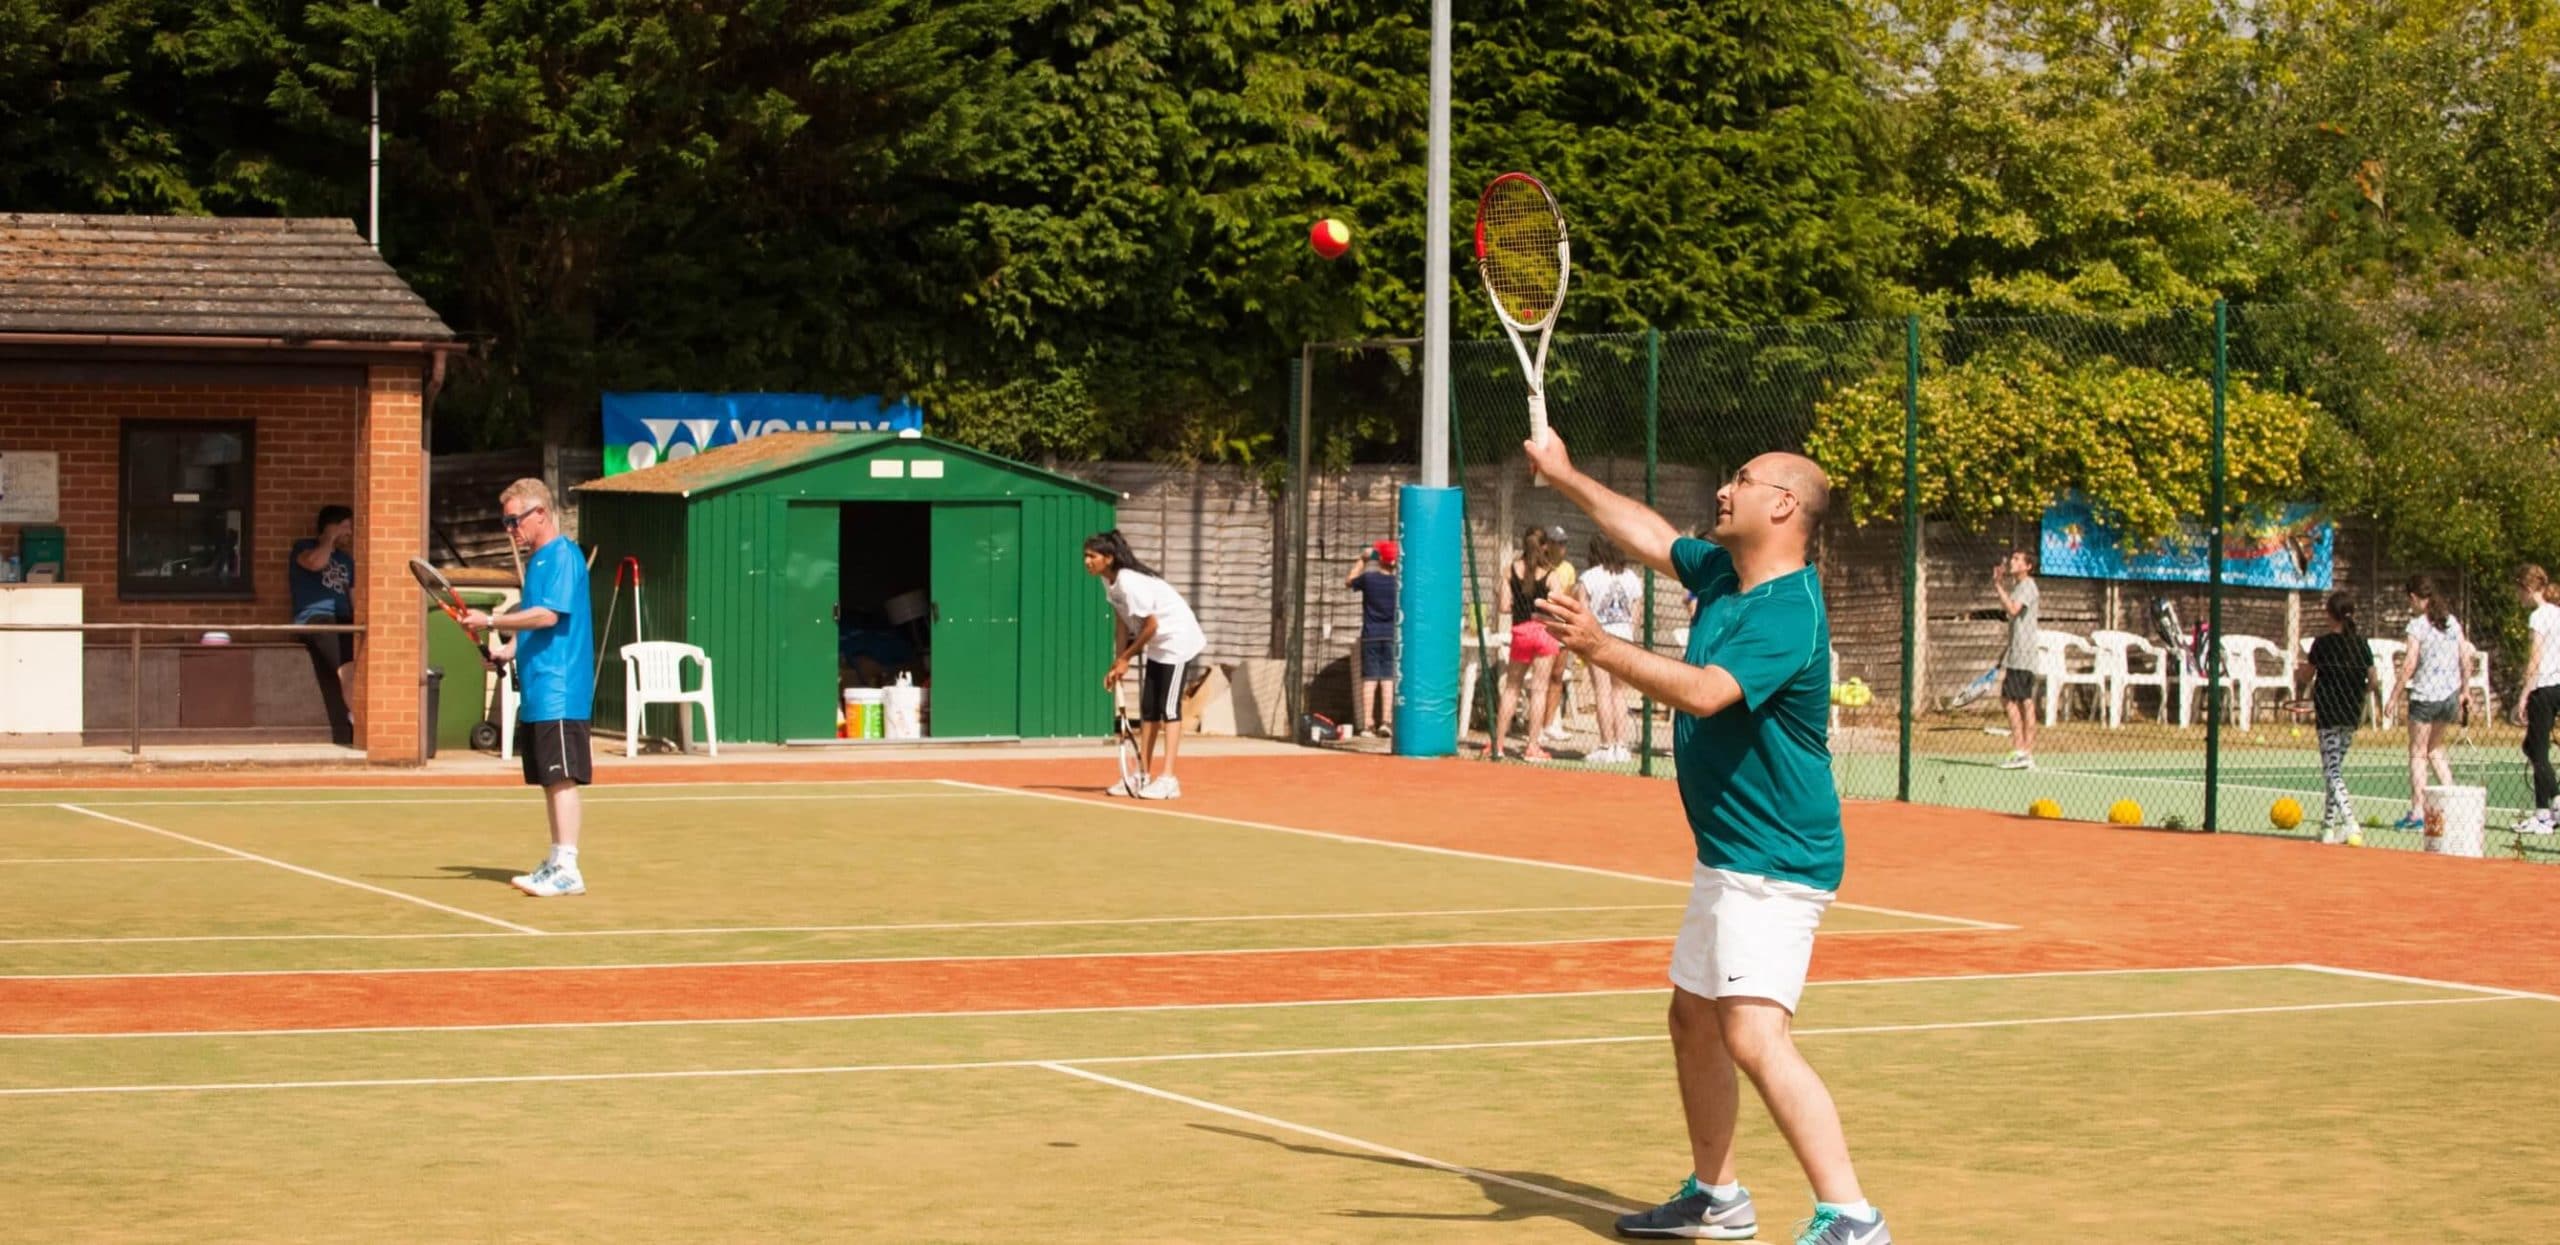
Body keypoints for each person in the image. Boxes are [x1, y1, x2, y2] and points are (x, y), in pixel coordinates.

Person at [1525, 433, 1892, 1245]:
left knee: (1755, 1035)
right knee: (1693, 1019)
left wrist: (1599, 645)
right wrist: (1565, 472)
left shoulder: (1789, 613)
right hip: (1730, 852)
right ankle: (1717, 1195)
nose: (1725, 489)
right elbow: (1651, 535)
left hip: (1777, 858)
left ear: (1783, 505)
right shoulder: (1727, 572)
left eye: (1743, 480)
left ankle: (1854, 1217)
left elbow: (1701, 693)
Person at [461, 479, 594, 897]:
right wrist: (507, 651)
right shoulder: (537, 561)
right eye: (505, 521)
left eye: (513, 520)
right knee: (547, 780)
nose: (509, 529)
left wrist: (491, 622)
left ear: (540, 513)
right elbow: (532, 624)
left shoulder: (563, 556)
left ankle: (569, 867)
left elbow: (548, 617)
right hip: (538, 688)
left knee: (563, 779)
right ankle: (555, 861)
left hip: (561, 686)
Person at [1086, 530, 1205, 799]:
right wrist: (1118, 661)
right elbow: (1121, 621)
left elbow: (1152, 625)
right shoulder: (1110, 582)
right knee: (1149, 710)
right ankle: (1141, 775)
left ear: (1108, 558)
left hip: (1177, 640)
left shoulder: (1130, 583)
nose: (1087, 561)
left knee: (1168, 709)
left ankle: (1169, 779)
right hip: (1157, 643)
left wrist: (1127, 658)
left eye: (1092, 556)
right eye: (1086, 555)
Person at [2387, 575, 2475, 832]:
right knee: (2435, 749)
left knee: (2417, 753)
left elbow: (2410, 663)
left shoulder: (2417, 626)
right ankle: (2453, 803)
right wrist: (2465, 690)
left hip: (2425, 698)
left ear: (2414, 597)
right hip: (2449, 697)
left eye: (2409, 600)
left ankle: (2417, 812)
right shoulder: (2450, 622)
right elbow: (2465, 657)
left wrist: (2393, 695)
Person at [2295, 592, 2372, 843]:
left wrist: (2300, 670)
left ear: (2330, 615)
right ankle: (2328, 826)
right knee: (2334, 768)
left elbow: (2306, 676)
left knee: (2332, 771)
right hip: (2351, 713)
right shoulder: (2362, 644)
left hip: (2328, 714)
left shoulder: (2322, 644)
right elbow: (2373, 681)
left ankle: (2351, 823)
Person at [1489, 526, 1566, 762]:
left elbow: (1503, 606)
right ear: (1545, 546)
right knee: (1539, 690)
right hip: (1544, 633)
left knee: (1512, 687)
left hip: (1521, 632)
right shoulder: (1552, 575)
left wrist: (1519, 606)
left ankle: (1498, 745)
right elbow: (1560, 609)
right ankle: (1532, 746)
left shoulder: (1511, 570)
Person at [289, 505, 357, 747]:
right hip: (316, 618)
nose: (350, 533)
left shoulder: (347, 560)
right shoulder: (303, 548)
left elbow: (354, 596)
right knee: (347, 669)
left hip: (343, 620)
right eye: (346, 527)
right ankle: (359, 721)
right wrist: (328, 538)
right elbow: (316, 564)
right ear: (332, 526)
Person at [1577, 533, 1642, 764]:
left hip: (1599, 636)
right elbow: (1636, 610)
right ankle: (1620, 746)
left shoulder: (1589, 577)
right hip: (1624, 636)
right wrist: (1629, 631)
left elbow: (1582, 610)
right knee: (1619, 692)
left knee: (1602, 691)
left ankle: (1606, 745)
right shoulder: (1631, 577)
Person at [2513, 565, 2560, 834]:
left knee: (2538, 751)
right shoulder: (2558, 614)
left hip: (2543, 688)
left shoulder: (2539, 617)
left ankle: (2544, 814)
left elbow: (2535, 659)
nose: (2519, 597)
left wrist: (2523, 696)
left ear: (2529, 589)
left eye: (2519, 590)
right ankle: (2552, 803)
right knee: (2531, 747)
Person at [1345, 541, 1399, 737]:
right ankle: (1386, 721)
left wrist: (1363, 559)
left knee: (1369, 679)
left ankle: (1368, 723)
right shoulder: (1399, 584)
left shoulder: (1369, 579)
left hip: (1371, 635)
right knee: (1387, 679)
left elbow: (1349, 580)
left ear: (1380, 560)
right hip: (1392, 635)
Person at [1993, 550, 2040, 770]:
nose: (2012, 562)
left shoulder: (2027, 586)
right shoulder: (2020, 587)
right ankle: (2022, 750)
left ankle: (2024, 750)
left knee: (2019, 701)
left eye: (2017, 559)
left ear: (2028, 566)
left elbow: (2013, 609)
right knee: (2017, 699)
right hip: (2017, 653)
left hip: (2024, 654)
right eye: (2012, 558)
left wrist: (1997, 586)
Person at [1541, 523, 1579, 746]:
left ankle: (1549, 724)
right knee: (1541, 678)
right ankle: (1537, 724)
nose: (1563, 547)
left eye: (1565, 543)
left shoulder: (1568, 569)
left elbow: (1569, 597)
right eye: (1560, 543)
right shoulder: (1542, 567)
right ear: (1550, 545)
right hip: (1544, 626)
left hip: (1561, 626)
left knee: (1557, 676)